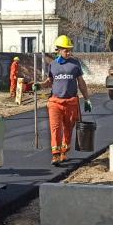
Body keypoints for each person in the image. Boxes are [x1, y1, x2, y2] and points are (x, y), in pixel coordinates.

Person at [32, 35, 92, 165]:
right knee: (55, 128)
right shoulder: (53, 65)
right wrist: (40, 85)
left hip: (71, 102)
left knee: (68, 128)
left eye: (70, 49)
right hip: (55, 102)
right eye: (66, 50)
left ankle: (64, 152)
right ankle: (55, 154)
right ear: (58, 50)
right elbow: (49, 81)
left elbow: (81, 83)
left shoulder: (75, 64)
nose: (69, 52)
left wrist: (87, 99)